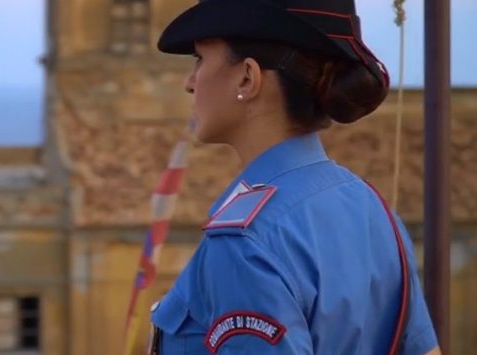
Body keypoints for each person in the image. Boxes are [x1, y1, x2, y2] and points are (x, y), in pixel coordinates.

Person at [148, 0, 441, 354]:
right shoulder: (376, 213)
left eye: (200, 60)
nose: (190, 83)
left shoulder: (246, 243)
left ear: (247, 77)